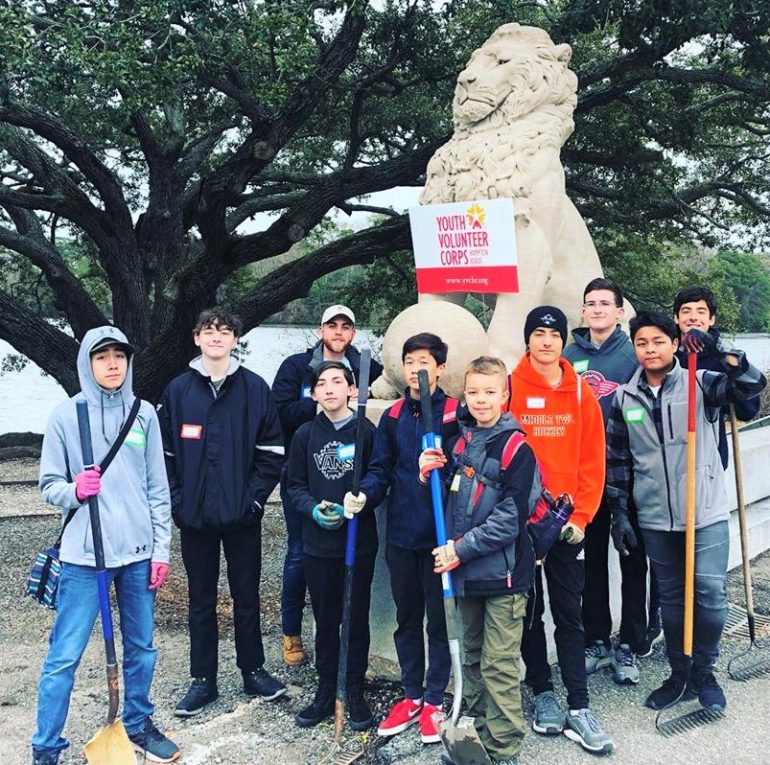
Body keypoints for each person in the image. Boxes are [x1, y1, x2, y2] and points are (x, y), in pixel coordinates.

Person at [606, 312, 766, 712]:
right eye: (642, 343)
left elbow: (752, 389)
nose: (650, 349)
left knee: (710, 595)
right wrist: (620, 512)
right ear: (635, 348)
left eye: (658, 341)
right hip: (656, 517)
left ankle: (704, 672)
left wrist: (723, 353)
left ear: (675, 344)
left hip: (705, 511)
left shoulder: (702, 382)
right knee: (673, 600)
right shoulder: (625, 398)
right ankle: (679, 673)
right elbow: (618, 461)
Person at [33, 326, 178, 765]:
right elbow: (48, 485)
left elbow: (157, 487)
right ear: (87, 363)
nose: (112, 364)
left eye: (119, 355)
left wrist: (162, 550)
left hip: (137, 554)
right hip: (82, 556)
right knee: (64, 656)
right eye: (102, 357)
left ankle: (137, 722)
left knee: (143, 646)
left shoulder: (144, 415)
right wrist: (75, 489)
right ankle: (46, 747)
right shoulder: (65, 416)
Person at [159, 308, 286, 717]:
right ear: (196, 339)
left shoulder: (254, 388)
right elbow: (163, 458)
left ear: (236, 339)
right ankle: (203, 681)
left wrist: (254, 501)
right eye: (208, 331)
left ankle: (253, 671)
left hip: (241, 517)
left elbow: (272, 452)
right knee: (201, 600)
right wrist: (179, 502)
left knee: (246, 597)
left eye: (225, 331)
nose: (216, 337)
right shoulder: (178, 391)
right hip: (194, 518)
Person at [507, 306, 613, 755]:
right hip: (522, 525)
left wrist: (582, 517)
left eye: (554, 334)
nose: (547, 341)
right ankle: (543, 693)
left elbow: (593, 459)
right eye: (539, 334)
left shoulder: (579, 393)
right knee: (530, 615)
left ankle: (579, 705)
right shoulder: (510, 386)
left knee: (569, 614)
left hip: (567, 522)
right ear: (528, 339)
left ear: (562, 340)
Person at [343, 333, 459, 745]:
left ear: (441, 368)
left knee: (439, 621)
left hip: (442, 538)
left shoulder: (453, 413)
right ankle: (411, 694)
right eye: (410, 361)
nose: (417, 369)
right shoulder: (391, 416)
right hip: (403, 535)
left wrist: (444, 467)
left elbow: (466, 468)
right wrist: (365, 494)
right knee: (407, 618)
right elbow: (381, 469)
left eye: (425, 361)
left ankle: (434, 699)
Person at [425, 357, 538, 765]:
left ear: (505, 396)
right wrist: (427, 474)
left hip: (504, 576)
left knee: (499, 665)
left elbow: (511, 518)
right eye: (473, 392)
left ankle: (504, 747)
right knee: (469, 656)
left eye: (490, 392)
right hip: (465, 574)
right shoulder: (458, 442)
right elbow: (448, 501)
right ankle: (474, 733)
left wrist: (460, 548)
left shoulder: (517, 449)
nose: (481, 400)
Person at [272, 305, 383, 666]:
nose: (338, 331)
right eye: (331, 325)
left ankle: (351, 675)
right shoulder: (296, 366)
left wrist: (363, 494)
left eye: (345, 326)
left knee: (352, 600)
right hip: (305, 475)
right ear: (321, 329)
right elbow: (280, 411)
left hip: (352, 507)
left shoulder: (366, 368)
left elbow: (378, 464)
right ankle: (292, 632)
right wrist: (320, 407)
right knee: (299, 555)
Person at [562, 278, 652, 685]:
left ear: (620, 311)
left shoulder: (633, 352)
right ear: (583, 311)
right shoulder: (567, 355)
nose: (597, 310)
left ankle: (631, 642)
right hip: (584, 475)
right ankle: (596, 637)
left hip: (627, 471)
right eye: (590, 304)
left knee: (633, 559)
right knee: (590, 560)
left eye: (605, 304)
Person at [286, 361, 378, 730]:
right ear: (313, 394)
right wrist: (312, 509)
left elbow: (379, 473)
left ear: (352, 390)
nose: (329, 389)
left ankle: (352, 687)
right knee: (325, 619)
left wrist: (364, 497)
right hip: (318, 545)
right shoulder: (305, 435)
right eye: (321, 384)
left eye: (337, 381)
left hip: (358, 543)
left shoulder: (365, 431)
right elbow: (293, 485)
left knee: (355, 618)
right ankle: (327, 687)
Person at [673, 285, 762, 469]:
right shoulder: (665, 355)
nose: (693, 317)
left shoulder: (724, 357)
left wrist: (717, 351)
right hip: (670, 457)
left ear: (711, 319)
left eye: (701, 311)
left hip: (710, 460)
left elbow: (749, 410)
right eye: (686, 311)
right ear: (676, 317)